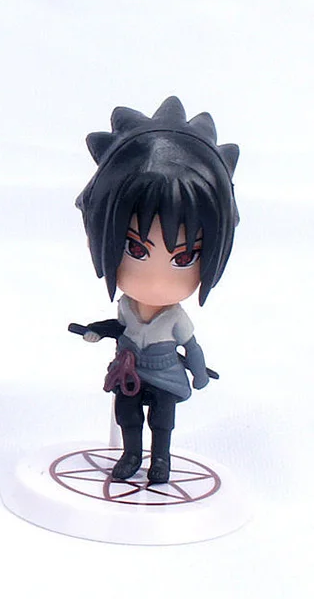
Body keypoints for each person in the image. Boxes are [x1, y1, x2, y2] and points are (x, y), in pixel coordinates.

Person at [75, 96, 239, 484]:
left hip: (165, 376)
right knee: (127, 415)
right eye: (136, 250)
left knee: (162, 420)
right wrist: (96, 331)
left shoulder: (176, 319)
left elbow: (192, 348)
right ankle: (131, 455)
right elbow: (118, 327)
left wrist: (198, 375)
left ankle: (160, 460)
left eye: (184, 257)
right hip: (128, 372)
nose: (156, 281)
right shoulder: (126, 308)